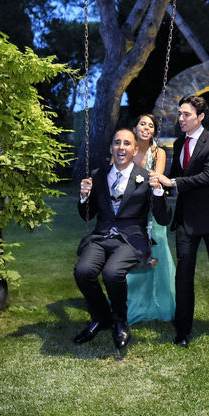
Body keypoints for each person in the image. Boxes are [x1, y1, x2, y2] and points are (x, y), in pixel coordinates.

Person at [74, 128, 170, 350]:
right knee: (83, 271)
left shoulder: (146, 177)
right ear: (111, 148)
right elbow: (87, 215)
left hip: (131, 239)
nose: (121, 147)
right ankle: (101, 317)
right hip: (102, 236)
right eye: (117, 143)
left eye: (127, 143)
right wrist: (84, 196)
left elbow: (164, 218)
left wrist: (158, 191)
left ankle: (120, 322)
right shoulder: (98, 175)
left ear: (135, 150)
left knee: (112, 273)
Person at [154, 95, 209, 348]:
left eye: (186, 114)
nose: (181, 118)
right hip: (186, 219)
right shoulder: (179, 143)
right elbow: (174, 176)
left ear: (201, 117)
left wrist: (173, 182)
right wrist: (159, 183)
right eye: (180, 114)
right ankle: (183, 330)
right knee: (184, 273)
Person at [125, 113, 176, 323]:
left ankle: (160, 301)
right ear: (135, 128)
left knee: (158, 248)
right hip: (130, 211)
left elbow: (156, 180)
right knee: (131, 252)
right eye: (142, 124)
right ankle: (133, 302)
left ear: (154, 131)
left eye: (151, 126)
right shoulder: (126, 149)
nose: (146, 128)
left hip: (152, 210)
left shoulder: (158, 153)